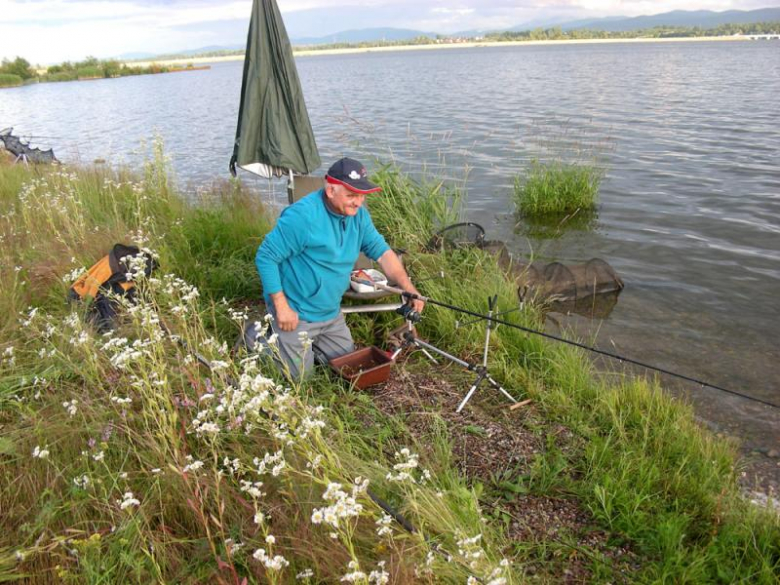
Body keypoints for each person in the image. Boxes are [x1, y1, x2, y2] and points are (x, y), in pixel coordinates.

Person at [253, 157, 424, 378]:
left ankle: (305, 347)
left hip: (331, 313)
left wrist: (409, 289)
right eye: (351, 194)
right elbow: (266, 257)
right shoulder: (302, 217)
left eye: (362, 194)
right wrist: (282, 307)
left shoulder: (359, 216)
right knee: (301, 382)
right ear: (331, 190)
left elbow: (383, 254)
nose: (358, 202)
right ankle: (259, 340)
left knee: (348, 371)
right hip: (297, 312)